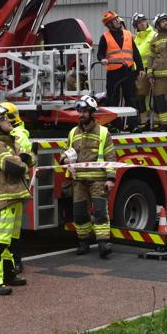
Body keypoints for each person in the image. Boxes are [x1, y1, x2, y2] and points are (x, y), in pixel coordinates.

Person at [0, 102, 31, 295]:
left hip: (15, 196)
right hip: (4, 199)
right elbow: (15, 167)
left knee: (9, 240)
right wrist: (23, 159)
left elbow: (30, 158)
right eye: (3, 119)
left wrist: (24, 159)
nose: (8, 121)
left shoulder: (8, 142)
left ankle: (8, 274)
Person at [60, 95, 117, 258]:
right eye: (79, 111)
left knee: (100, 212)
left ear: (92, 112)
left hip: (98, 181)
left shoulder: (103, 133)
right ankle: (83, 242)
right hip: (79, 182)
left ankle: (103, 243)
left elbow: (110, 157)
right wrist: (64, 158)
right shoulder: (73, 133)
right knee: (79, 213)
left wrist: (110, 178)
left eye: (85, 111)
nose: (81, 114)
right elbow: (65, 151)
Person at [0, 101, 34, 275]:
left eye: (4, 118)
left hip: (13, 186)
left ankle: (13, 262)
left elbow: (20, 160)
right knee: (11, 228)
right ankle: (12, 262)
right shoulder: (14, 133)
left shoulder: (17, 134)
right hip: (13, 187)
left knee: (9, 229)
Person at [96, 11, 145, 132]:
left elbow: (135, 53)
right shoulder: (105, 37)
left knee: (131, 98)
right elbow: (100, 53)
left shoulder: (128, 34)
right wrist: (102, 59)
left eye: (117, 19)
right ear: (109, 24)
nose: (118, 21)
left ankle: (133, 125)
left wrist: (140, 68)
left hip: (128, 71)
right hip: (113, 72)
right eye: (115, 20)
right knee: (112, 98)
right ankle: (114, 125)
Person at [132, 13, 156, 131]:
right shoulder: (136, 38)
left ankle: (146, 120)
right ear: (136, 26)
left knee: (144, 96)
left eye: (143, 21)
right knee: (138, 96)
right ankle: (142, 120)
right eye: (139, 22)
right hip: (136, 70)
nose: (142, 23)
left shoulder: (153, 35)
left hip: (148, 69)